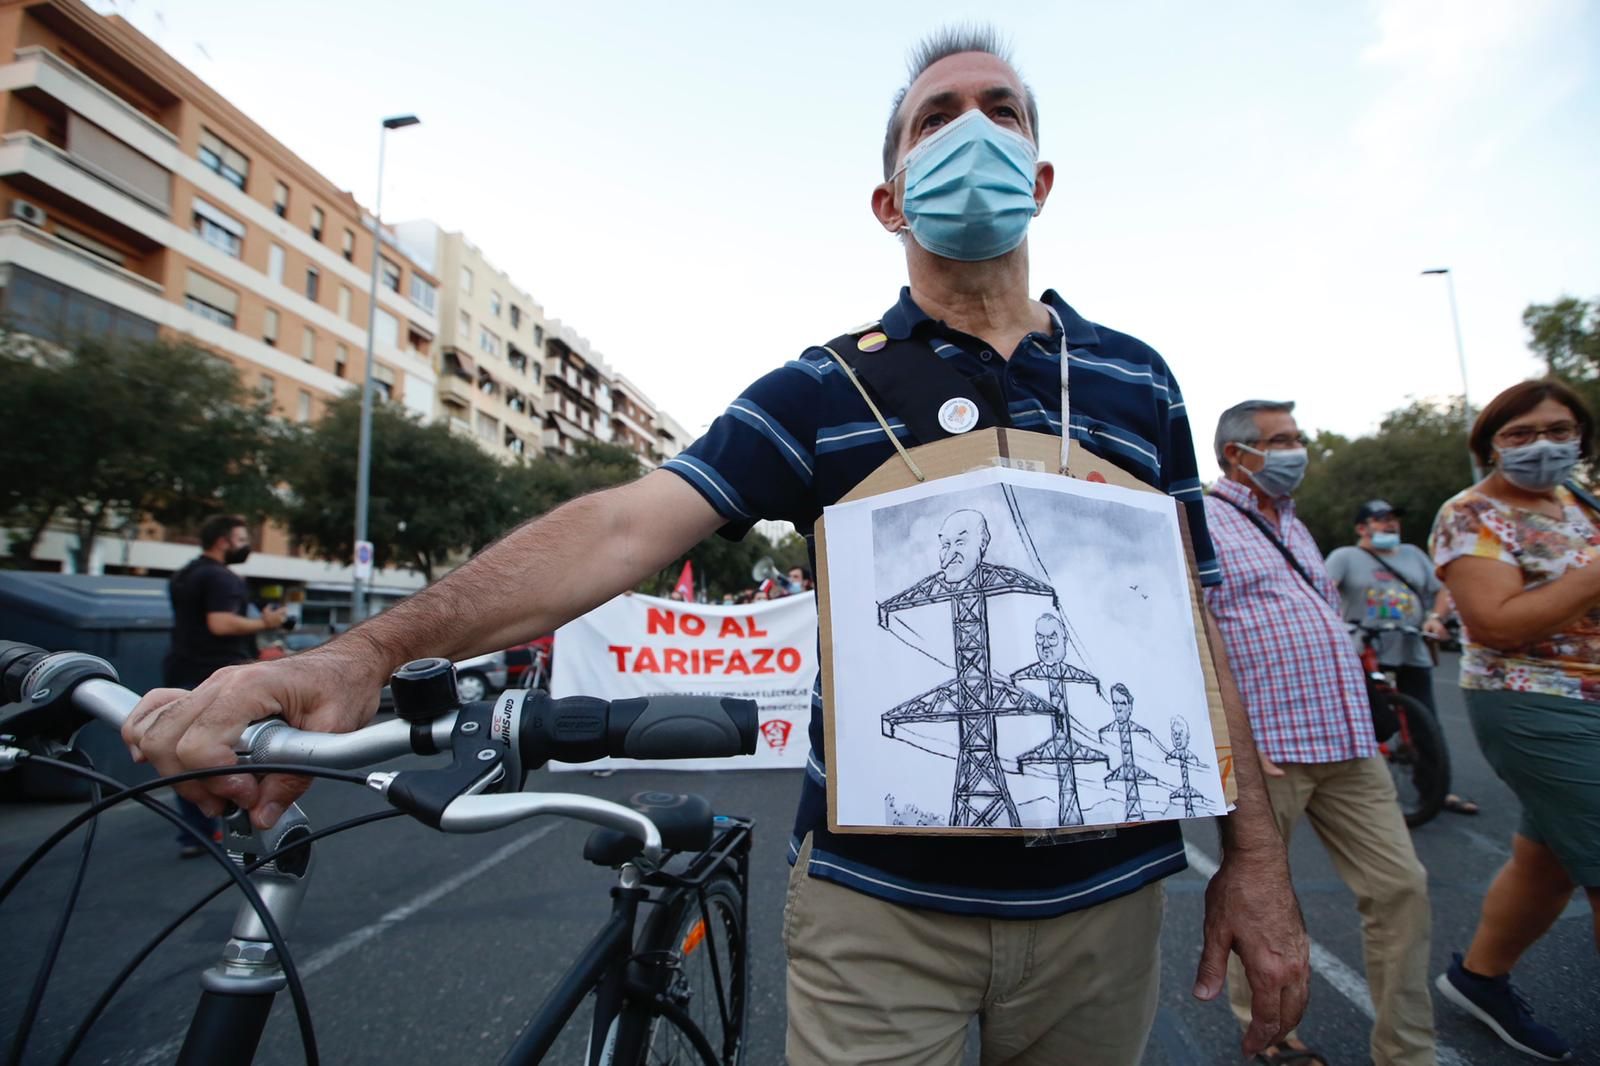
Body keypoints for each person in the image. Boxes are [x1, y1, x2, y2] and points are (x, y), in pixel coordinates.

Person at [124, 30, 1307, 1065]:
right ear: (890, 199)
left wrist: (1254, 863)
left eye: (1002, 112)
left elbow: (1194, 631)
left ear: (1041, 177)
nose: (973, 130)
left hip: (1108, 910)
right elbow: (626, 524)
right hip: (879, 917)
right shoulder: (820, 387)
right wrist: (368, 651)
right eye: (936, 117)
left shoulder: (1134, 380)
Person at [1205, 400, 1436, 1066]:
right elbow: (1196, 631)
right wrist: (1235, 741)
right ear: (1237, 455)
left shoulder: (1296, 525)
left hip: (1346, 739)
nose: (1296, 451)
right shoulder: (1203, 520)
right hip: (1269, 749)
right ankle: (1271, 1037)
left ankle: (1407, 1049)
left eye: (1297, 438)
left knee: (1400, 889)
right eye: (1281, 441)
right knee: (1262, 899)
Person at [1429, 379, 1600, 1063]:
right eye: (1520, 435)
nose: (1542, 446)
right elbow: (1495, 625)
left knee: (1548, 861)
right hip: (1536, 700)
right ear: (1490, 445)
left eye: (1558, 430)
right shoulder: (1471, 515)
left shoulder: (1581, 499)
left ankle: (1480, 978)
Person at [1325, 500, 1479, 815]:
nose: (1390, 524)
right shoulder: (1345, 557)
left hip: (1410, 647)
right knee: (1364, 722)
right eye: (1381, 519)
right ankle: (1360, 797)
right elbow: (1322, 589)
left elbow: (1442, 590)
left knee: (1425, 722)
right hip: (1363, 649)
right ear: (1362, 528)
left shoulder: (1413, 555)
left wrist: (1436, 617)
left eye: (1394, 518)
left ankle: (1435, 792)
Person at [161, 515, 284, 857]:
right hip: (217, 674)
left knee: (185, 752)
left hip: (181, 668)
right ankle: (242, 824)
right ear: (223, 541)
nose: (246, 545)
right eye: (242, 538)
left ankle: (195, 832)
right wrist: (264, 622)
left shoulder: (185, 575)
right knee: (239, 752)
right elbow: (220, 623)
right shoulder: (221, 577)